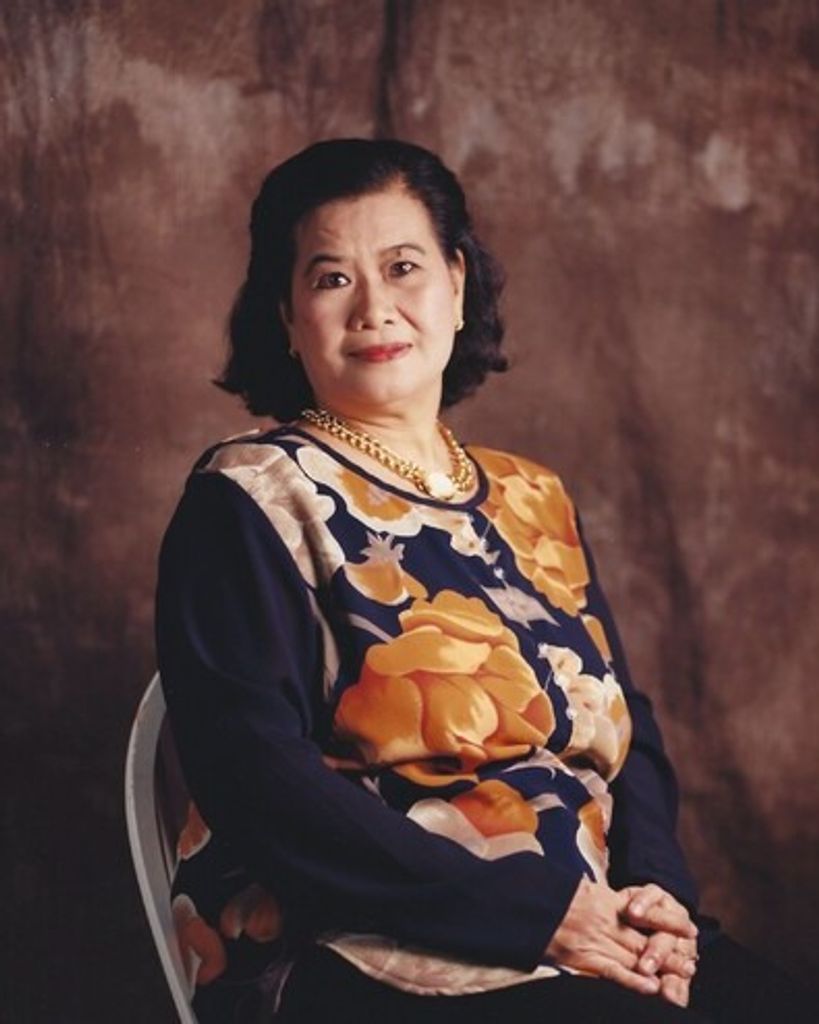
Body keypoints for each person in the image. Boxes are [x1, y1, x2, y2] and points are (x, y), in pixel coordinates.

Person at [155, 139, 813, 1023]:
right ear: (285, 315)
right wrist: (538, 918)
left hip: (590, 923)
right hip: (369, 942)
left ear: (457, 286)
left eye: (403, 268)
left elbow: (626, 724)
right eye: (331, 279)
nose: (374, 309)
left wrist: (655, 893)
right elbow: (255, 776)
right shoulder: (246, 496)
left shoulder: (531, 495)